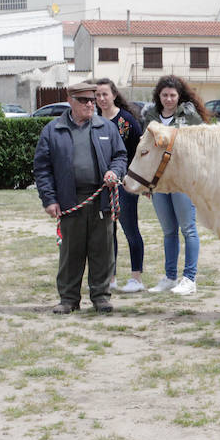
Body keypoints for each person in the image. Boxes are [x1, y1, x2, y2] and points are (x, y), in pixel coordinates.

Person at [33, 82, 127, 314]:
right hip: (69, 201)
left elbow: (120, 156)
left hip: (101, 200)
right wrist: (49, 200)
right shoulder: (53, 130)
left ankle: (101, 297)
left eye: (92, 100)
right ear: (71, 101)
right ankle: (68, 299)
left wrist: (114, 172)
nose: (90, 104)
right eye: (84, 100)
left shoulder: (106, 127)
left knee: (102, 251)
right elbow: (42, 169)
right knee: (70, 253)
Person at [140, 75, 210, 296]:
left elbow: (203, 143)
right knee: (168, 231)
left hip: (182, 182)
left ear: (179, 97)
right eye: (164, 95)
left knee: (188, 229)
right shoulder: (150, 117)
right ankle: (170, 277)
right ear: (158, 96)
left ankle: (189, 279)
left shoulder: (189, 115)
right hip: (159, 182)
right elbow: (146, 151)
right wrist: (146, 184)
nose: (168, 99)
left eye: (172, 95)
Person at [94, 78, 145, 294]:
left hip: (124, 184)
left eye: (105, 94)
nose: (101, 99)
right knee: (107, 232)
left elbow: (138, 153)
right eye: (97, 95)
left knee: (130, 229)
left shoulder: (127, 121)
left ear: (114, 95)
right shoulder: (93, 121)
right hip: (100, 185)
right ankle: (111, 276)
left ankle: (136, 277)